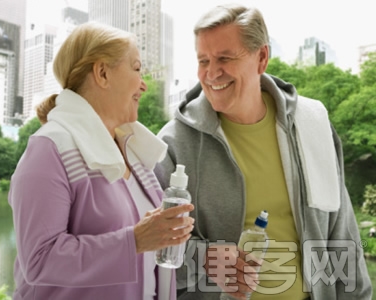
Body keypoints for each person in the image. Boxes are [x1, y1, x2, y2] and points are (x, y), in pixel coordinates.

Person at [154, 3, 372, 300]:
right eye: (203, 60)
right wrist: (206, 258)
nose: (211, 73)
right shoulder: (173, 143)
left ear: (262, 58)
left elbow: (342, 232)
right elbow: (153, 252)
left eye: (225, 58)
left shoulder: (312, 122)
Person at [8, 22, 195, 300]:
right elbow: (39, 261)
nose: (143, 84)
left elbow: (156, 255)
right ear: (102, 73)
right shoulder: (49, 150)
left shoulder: (134, 154)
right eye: (136, 68)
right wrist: (134, 240)